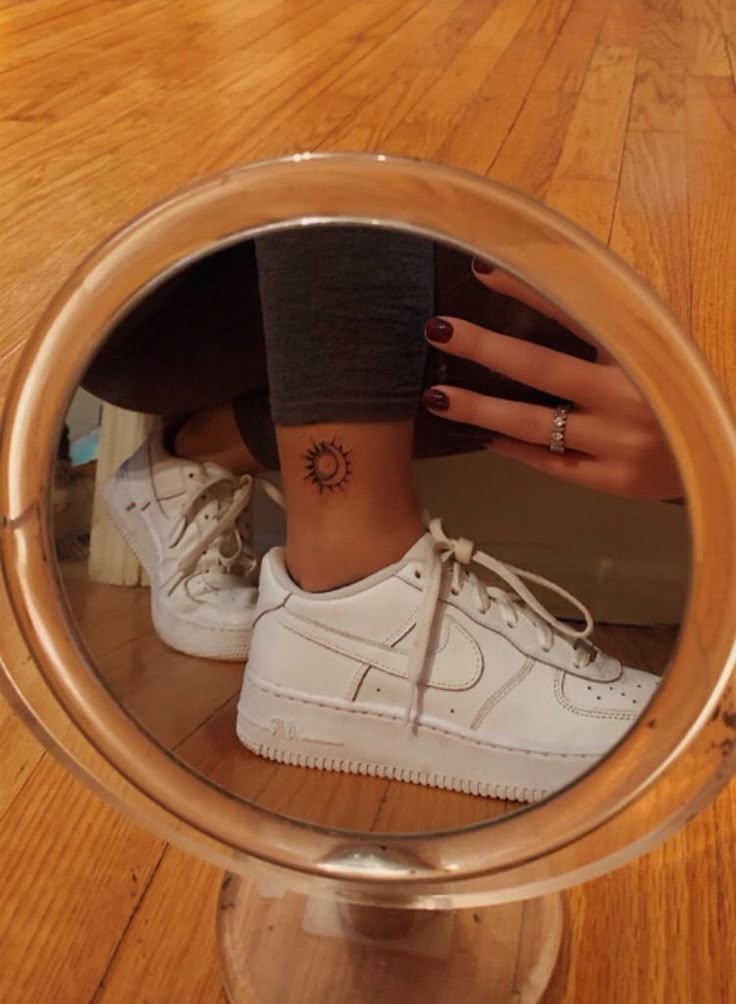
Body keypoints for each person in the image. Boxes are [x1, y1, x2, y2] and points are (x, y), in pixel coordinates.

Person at [85, 229, 674, 799]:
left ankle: (197, 455)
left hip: (299, 280)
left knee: (658, 318)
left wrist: (706, 430)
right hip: (131, 278)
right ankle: (353, 573)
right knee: (376, 151)